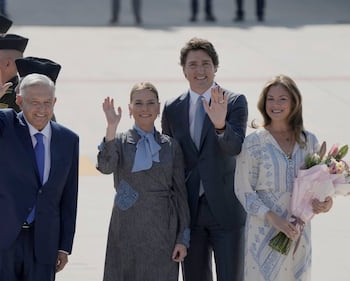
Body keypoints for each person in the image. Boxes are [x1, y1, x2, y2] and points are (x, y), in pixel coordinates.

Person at [0, 65, 79, 281]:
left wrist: (64, 246)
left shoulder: (68, 140)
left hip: (43, 241)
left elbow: (68, 198)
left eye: (47, 103)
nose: (41, 110)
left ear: (54, 102)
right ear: (19, 101)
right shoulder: (6, 123)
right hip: (0, 236)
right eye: (34, 103)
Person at [161, 37, 248, 281]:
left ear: (215, 67)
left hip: (226, 211)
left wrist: (221, 126)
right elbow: (169, 160)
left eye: (206, 64)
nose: (200, 70)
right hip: (190, 214)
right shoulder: (172, 108)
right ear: (184, 70)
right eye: (193, 64)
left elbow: (235, 148)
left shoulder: (234, 101)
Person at [234, 74, 333, 280]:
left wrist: (325, 203)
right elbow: (244, 190)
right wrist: (273, 218)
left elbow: (321, 186)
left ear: (294, 103)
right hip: (263, 232)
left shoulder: (309, 141)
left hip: (299, 233)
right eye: (270, 98)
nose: (275, 104)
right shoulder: (254, 142)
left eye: (282, 99)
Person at [96, 82, 190, 281]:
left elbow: (181, 194)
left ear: (158, 107)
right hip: (126, 227)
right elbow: (105, 167)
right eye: (138, 103)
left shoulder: (171, 146)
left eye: (150, 103)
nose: (145, 109)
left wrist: (183, 238)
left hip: (163, 228)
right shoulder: (119, 141)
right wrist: (111, 127)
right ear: (130, 109)